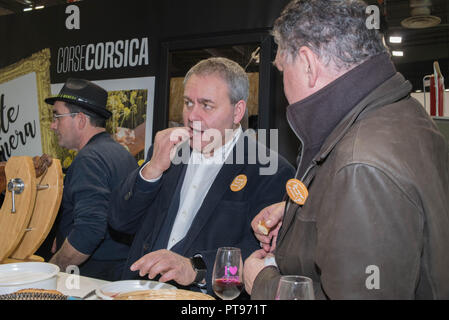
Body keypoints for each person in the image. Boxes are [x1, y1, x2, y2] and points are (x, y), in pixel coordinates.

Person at [244, 0, 449, 299]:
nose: (283, 86)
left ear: (307, 64)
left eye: (282, 69)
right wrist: (300, 219)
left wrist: (264, 284)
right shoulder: (403, 115)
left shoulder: (361, 163)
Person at [108, 57, 294, 295]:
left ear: (237, 111)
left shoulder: (270, 170)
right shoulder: (168, 152)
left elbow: (258, 256)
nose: (192, 116)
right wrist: (152, 170)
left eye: (206, 105)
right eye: (188, 103)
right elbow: (119, 221)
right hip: (139, 290)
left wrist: (196, 267)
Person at [45, 78, 138, 281]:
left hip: (94, 277)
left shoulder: (89, 159)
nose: (53, 125)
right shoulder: (120, 153)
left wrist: (51, 271)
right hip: (119, 272)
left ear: (80, 120)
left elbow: (89, 231)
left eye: (57, 117)